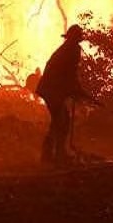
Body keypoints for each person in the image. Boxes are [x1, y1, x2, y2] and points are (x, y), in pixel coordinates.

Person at [35, 24, 84, 166]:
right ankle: (56, 155)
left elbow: (67, 74)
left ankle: (52, 154)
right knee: (61, 121)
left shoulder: (67, 49)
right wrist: (76, 89)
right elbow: (70, 74)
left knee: (61, 120)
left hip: (51, 89)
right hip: (52, 90)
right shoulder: (72, 50)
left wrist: (75, 89)